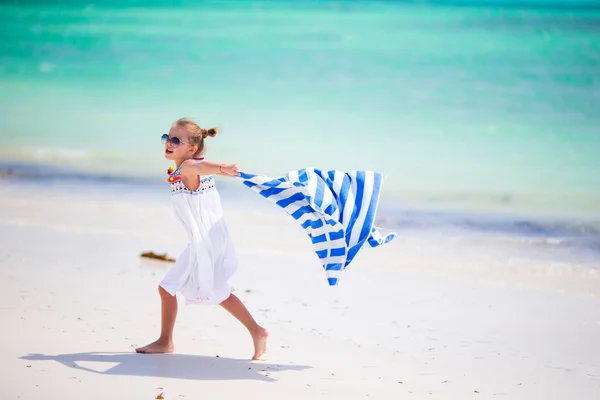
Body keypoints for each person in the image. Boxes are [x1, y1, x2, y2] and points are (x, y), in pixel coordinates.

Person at [135, 118, 268, 360]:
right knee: (210, 290)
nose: (168, 143)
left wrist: (222, 168)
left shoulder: (187, 166)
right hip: (208, 237)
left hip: (205, 239)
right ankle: (256, 331)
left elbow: (200, 167)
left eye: (176, 140)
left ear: (191, 149)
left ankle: (166, 342)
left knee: (172, 288)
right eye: (167, 137)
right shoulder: (181, 168)